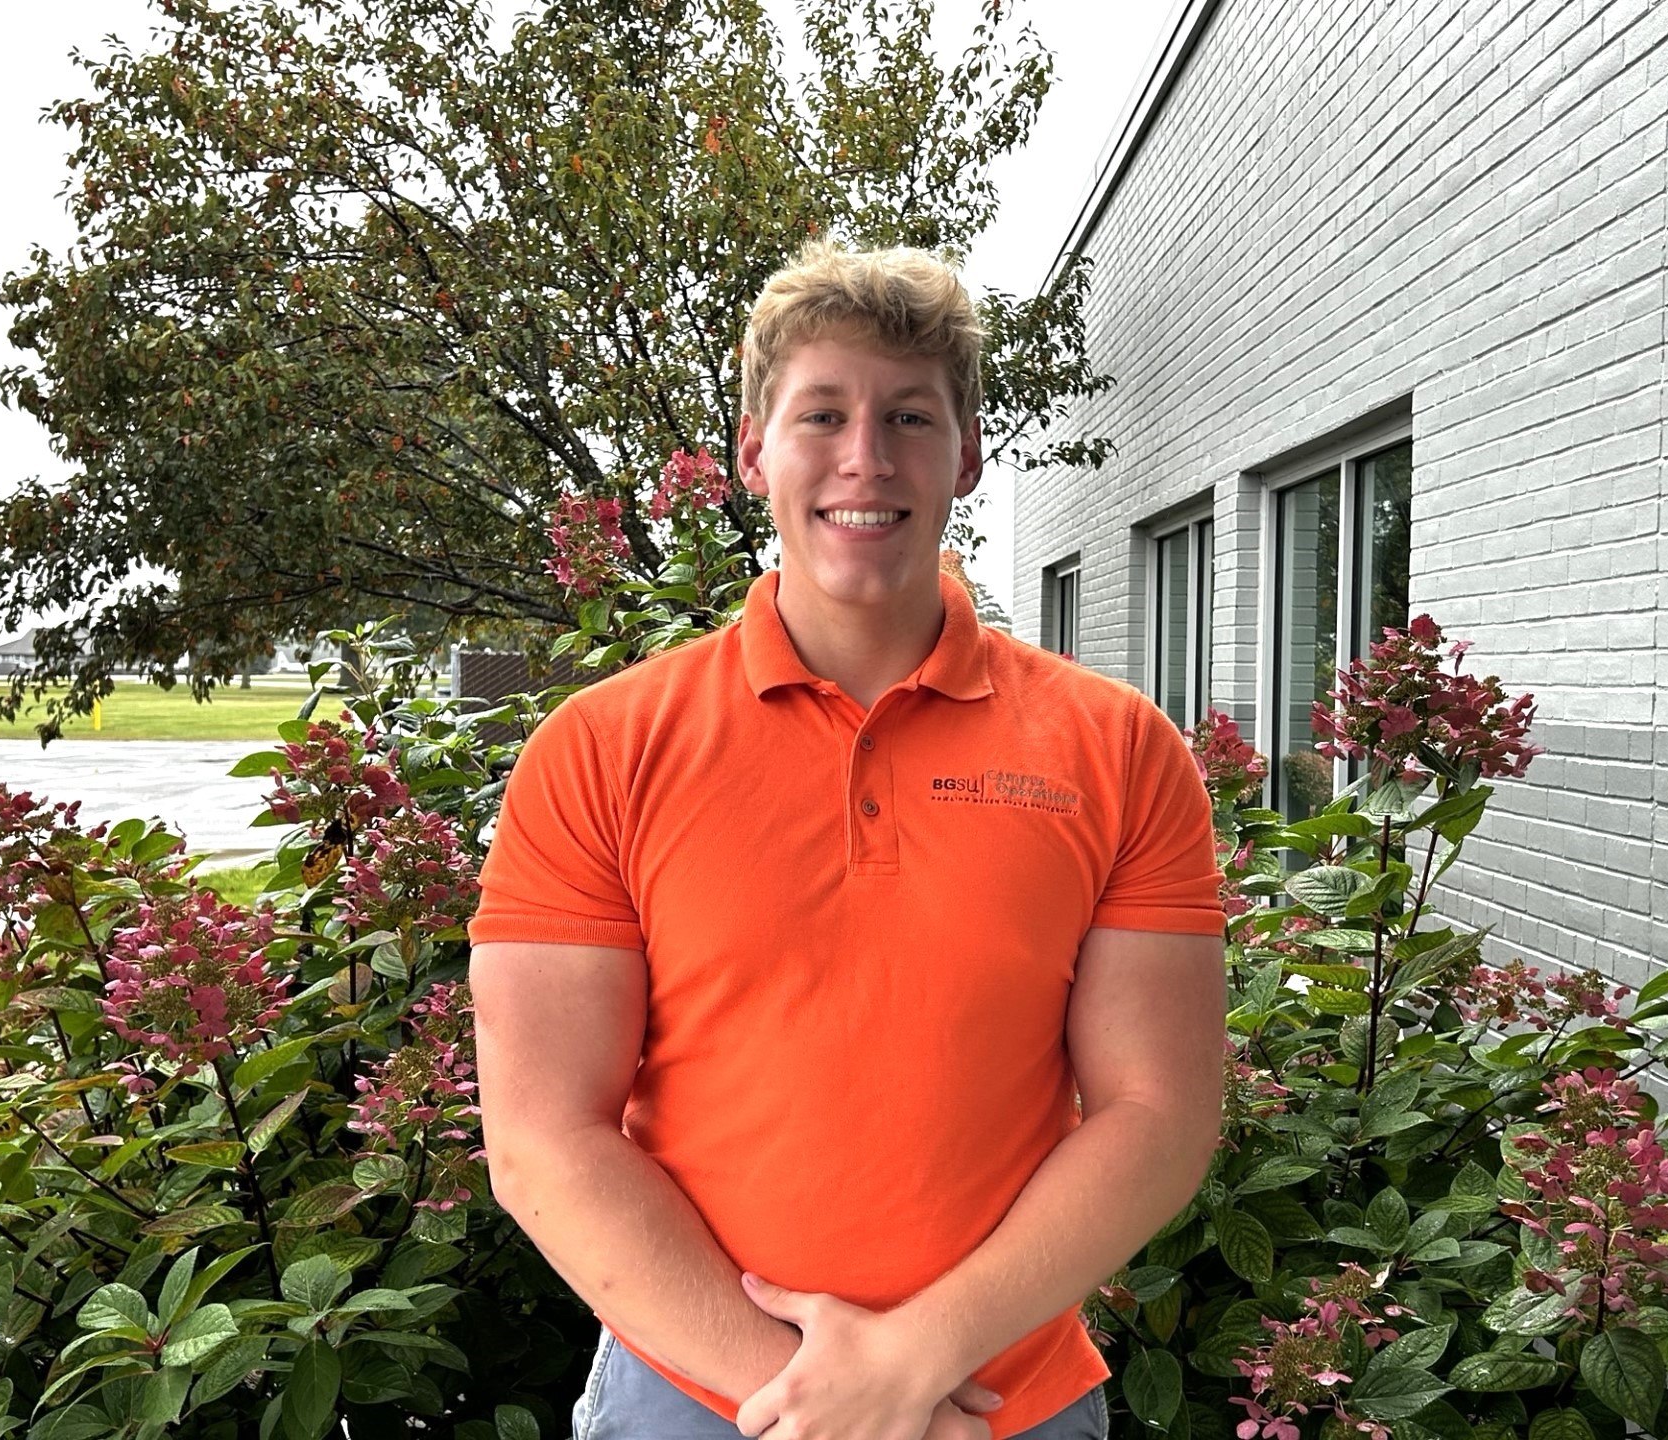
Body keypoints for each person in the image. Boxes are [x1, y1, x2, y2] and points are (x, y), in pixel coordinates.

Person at [467, 243, 1226, 1440]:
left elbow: (1158, 1113)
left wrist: (906, 1369)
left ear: (967, 456)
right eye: (822, 414)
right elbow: (543, 1137)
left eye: (909, 417)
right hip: (693, 1395)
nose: (865, 456)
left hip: (995, 1399)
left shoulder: (1118, 750)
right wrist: (808, 1405)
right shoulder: (603, 749)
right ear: (753, 452)